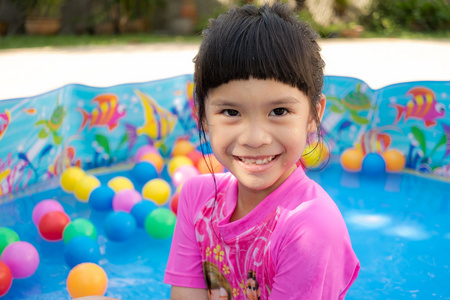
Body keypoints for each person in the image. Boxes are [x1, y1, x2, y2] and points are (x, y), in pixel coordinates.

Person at [164, 2, 360, 300]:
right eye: (230, 111)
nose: (255, 138)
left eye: (279, 110)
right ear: (201, 116)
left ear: (312, 116)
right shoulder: (196, 201)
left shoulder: (311, 228)